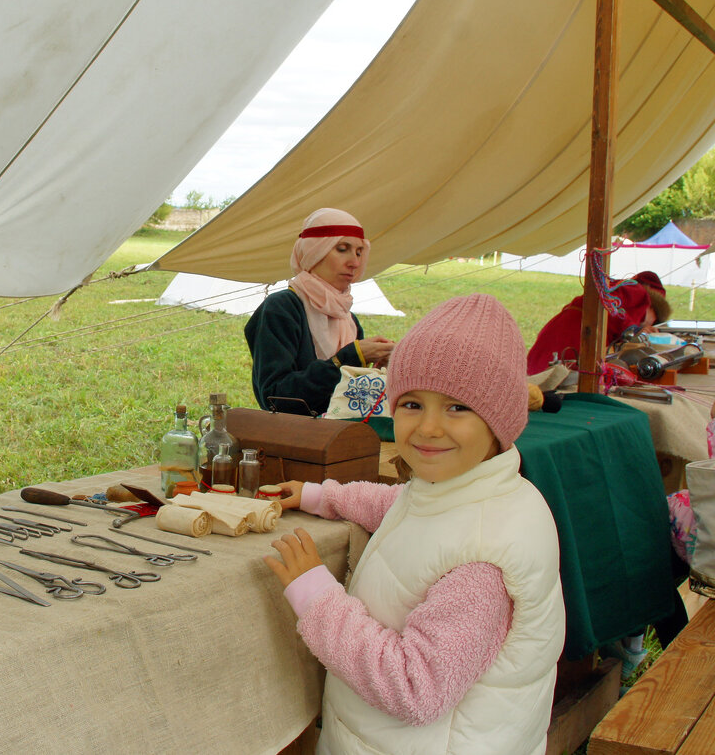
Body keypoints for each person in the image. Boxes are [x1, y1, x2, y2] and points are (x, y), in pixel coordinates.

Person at [264, 293, 565, 755]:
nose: (427, 427)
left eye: (457, 408)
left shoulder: (483, 562)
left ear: (500, 418)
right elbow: (404, 506)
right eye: (411, 404)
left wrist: (316, 594)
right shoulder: (464, 491)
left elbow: (415, 688)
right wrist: (322, 495)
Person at [243, 208, 394, 415]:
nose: (355, 262)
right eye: (342, 249)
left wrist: (378, 370)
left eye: (359, 252)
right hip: (293, 441)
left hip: (338, 437)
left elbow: (347, 399)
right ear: (314, 252)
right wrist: (348, 359)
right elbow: (274, 398)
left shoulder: (348, 319)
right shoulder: (281, 309)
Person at [526, 270, 672, 374]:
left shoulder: (631, 297)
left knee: (545, 372)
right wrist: (633, 330)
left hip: (573, 328)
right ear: (652, 306)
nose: (650, 325)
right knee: (548, 374)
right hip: (574, 331)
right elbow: (608, 304)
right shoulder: (637, 291)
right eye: (655, 320)